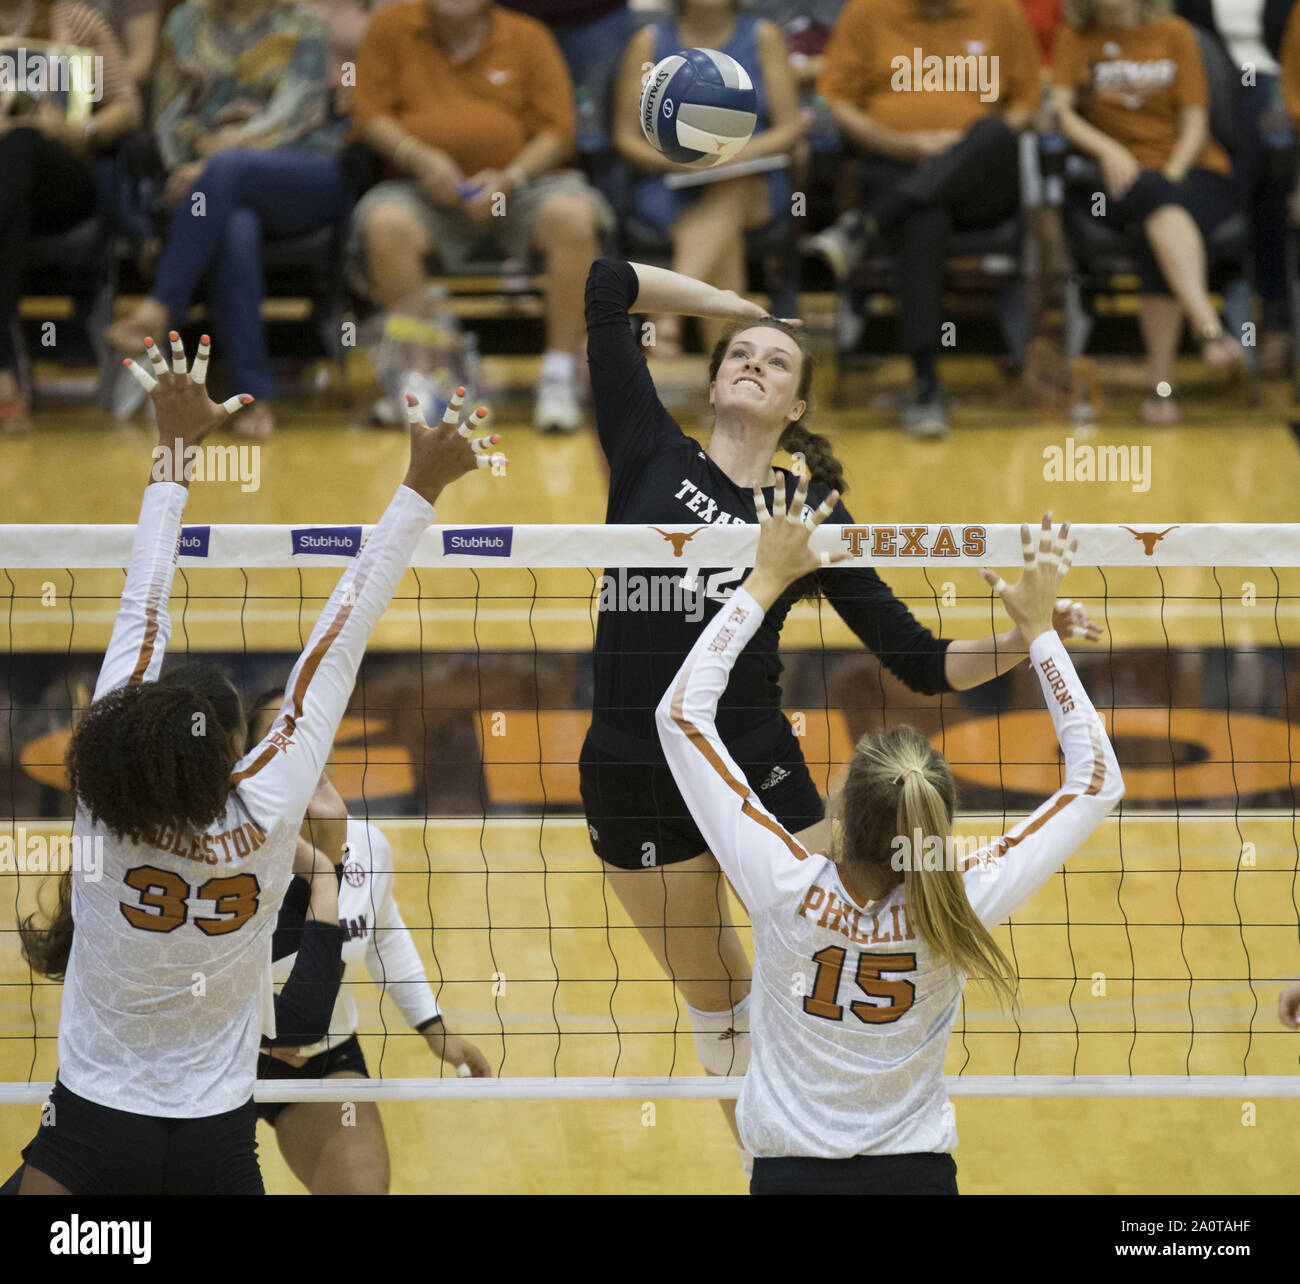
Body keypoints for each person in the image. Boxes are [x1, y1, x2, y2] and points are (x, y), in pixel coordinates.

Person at [578, 256, 1101, 1165]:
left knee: (830, 955)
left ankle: (864, 1144)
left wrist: (1024, 636)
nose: (751, 362)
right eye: (738, 354)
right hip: (628, 766)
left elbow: (923, 663)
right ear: (709, 381)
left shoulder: (807, 509)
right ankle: (771, 1169)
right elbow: (603, 283)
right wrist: (733, 304)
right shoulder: (645, 446)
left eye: (776, 363)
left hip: (753, 759)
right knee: (719, 998)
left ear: (796, 411)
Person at [15, 334, 504, 1195]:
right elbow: (340, 637)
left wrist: (174, 447)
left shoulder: (102, 794)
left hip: (93, 1130)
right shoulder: (268, 807)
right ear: (235, 757)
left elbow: (142, 604)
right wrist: (419, 489)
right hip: (213, 1139)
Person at [657, 507, 1125, 1194]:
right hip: (917, 1177)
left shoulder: (782, 880)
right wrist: (1038, 638)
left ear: (842, 812)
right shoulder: (960, 898)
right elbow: (1096, 780)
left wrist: (763, 583)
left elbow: (680, 716)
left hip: (791, 1177)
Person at [5, 761, 349, 1195]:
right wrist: (325, 869)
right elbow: (299, 1023)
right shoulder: (234, 877)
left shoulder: (112, 855)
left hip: (101, 1124)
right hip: (198, 1128)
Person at [245, 698, 492, 1196]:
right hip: (214, 1058)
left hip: (322, 1055)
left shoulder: (368, 846)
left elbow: (383, 933)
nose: (299, 747)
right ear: (249, 758)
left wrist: (434, 1030)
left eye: (310, 734)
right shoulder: (222, 849)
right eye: (279, 736)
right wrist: (253, 1038)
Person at [349, 0, 615, 433]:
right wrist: (418, 158)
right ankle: (428, 380)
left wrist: (510, 177)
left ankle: (558, 376)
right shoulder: (389, 28)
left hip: (522, 187)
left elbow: (558, 132)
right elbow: (369, 115)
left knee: (575, 215)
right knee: (383, 223)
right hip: (422, 189)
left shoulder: (528, 35)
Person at [103, 0, 345, 440]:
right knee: (236, 228)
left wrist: (219, 162)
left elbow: (295, 115)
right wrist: (198, 162)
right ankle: (255, 393)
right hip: (209, 190)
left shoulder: (303, 21)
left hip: (302, 171)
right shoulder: (182, 23)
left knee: (230, 173)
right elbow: (168, 116)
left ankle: (160, 307)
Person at [807, 0, 1041, 438]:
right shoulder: (866, 12)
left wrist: (957, 152)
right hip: (893, 164)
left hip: (980, 182)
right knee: (924, 211)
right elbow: (835, 100)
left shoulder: (1003, 12)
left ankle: (867, 225)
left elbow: (1027, 105)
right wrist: (903, 145)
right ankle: (925, 382)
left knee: (991, 132)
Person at [1051, 0, 1247, 425]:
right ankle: (1208, 328)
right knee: (1152, 203)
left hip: (1193, 170)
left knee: (1154, 216)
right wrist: (1108, 148)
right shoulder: (1075, 37)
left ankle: (1163, 387)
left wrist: (1172, 174)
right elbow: (1061, 112)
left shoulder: (1176, 33)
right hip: (1115, 180)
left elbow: (1197, 122)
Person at [612, 0, 805, 356]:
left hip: (751, 176)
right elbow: (625, 138)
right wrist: (674, 160)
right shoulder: (649, 42)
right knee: (722, 236)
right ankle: (725, 376)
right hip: (672, 182)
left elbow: (791, 127)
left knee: (732, 187)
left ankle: (668, 312)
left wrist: (739, 152)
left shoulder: (763, 36)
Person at [0, 0, 141, 435]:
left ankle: (5, 372)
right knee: (8, 197)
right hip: (9, 201)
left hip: (63, 180)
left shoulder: (78, 21)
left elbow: (128, 108)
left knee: (22, 141)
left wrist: (78, 130)